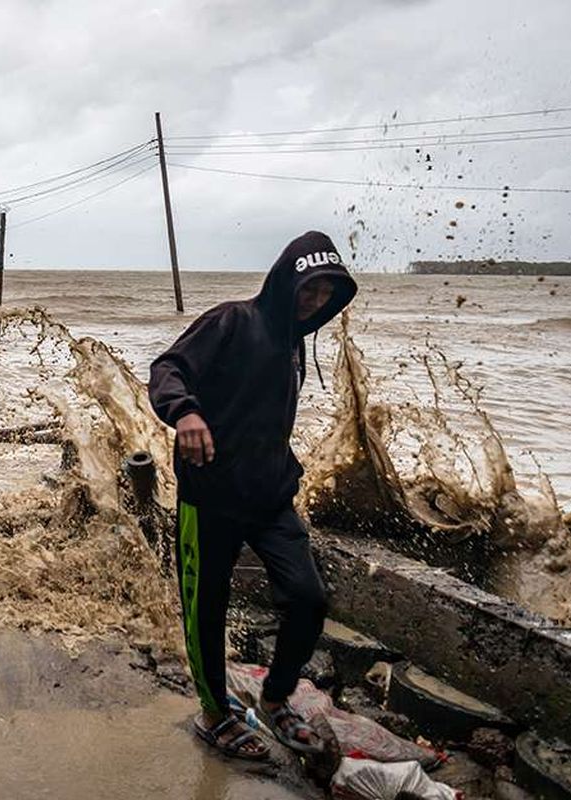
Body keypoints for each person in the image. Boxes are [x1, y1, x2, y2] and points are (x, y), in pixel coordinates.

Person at [148, 231, 357, 761]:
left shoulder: (294, 341)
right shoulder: (232, 321)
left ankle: (276, 698)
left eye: (325, 295)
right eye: (307, 290)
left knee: (309, 600)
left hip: (270, 497)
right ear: (284, 280)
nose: (314, 302)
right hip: (210, 497)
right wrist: (186, 412)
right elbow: (167, 369)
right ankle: (213, 712)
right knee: (206, 611)